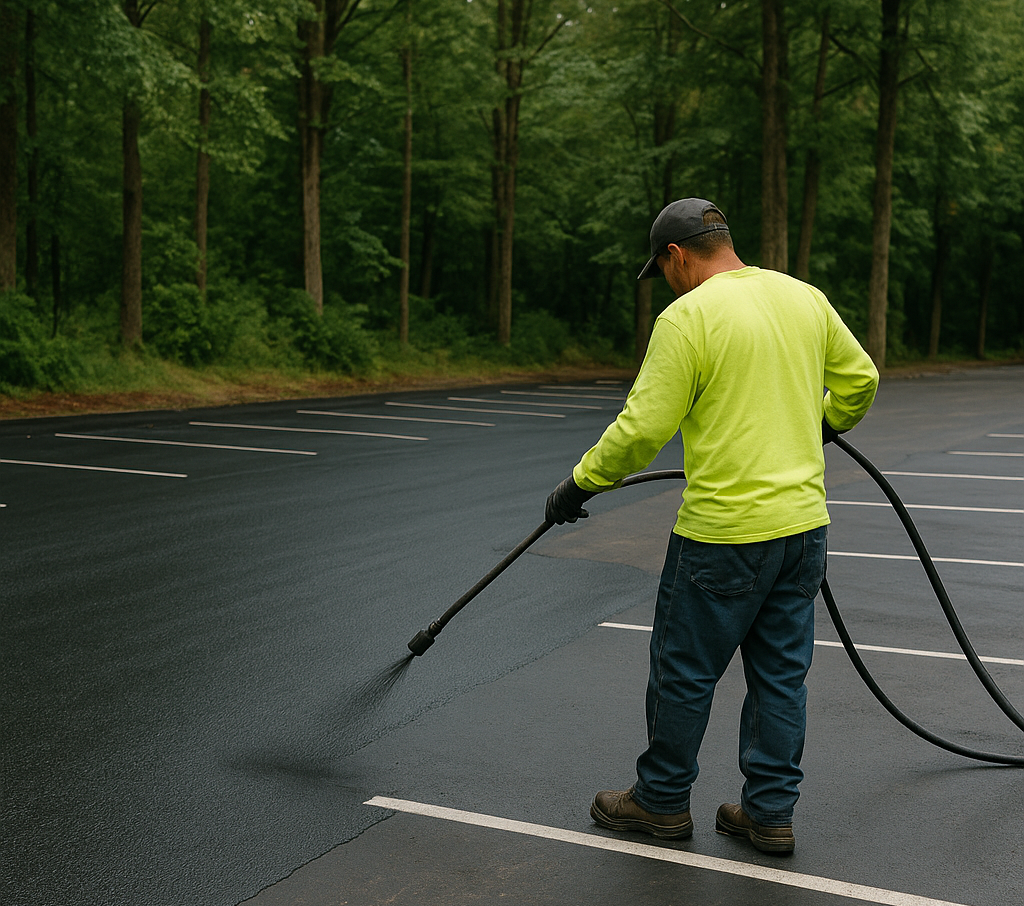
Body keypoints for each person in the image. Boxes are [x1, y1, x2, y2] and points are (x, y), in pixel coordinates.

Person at [545, 197, 878, 854]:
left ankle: (661, 802)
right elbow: (860, 379)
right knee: (781, 676)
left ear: (675, 255)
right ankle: (769, 814)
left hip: (723, 534)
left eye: (660, 268)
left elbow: (641, 430)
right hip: (803, 528)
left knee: (685, 671)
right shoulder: (802, 298)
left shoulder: (688, 318)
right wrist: (824, 424)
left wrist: (578, 484)